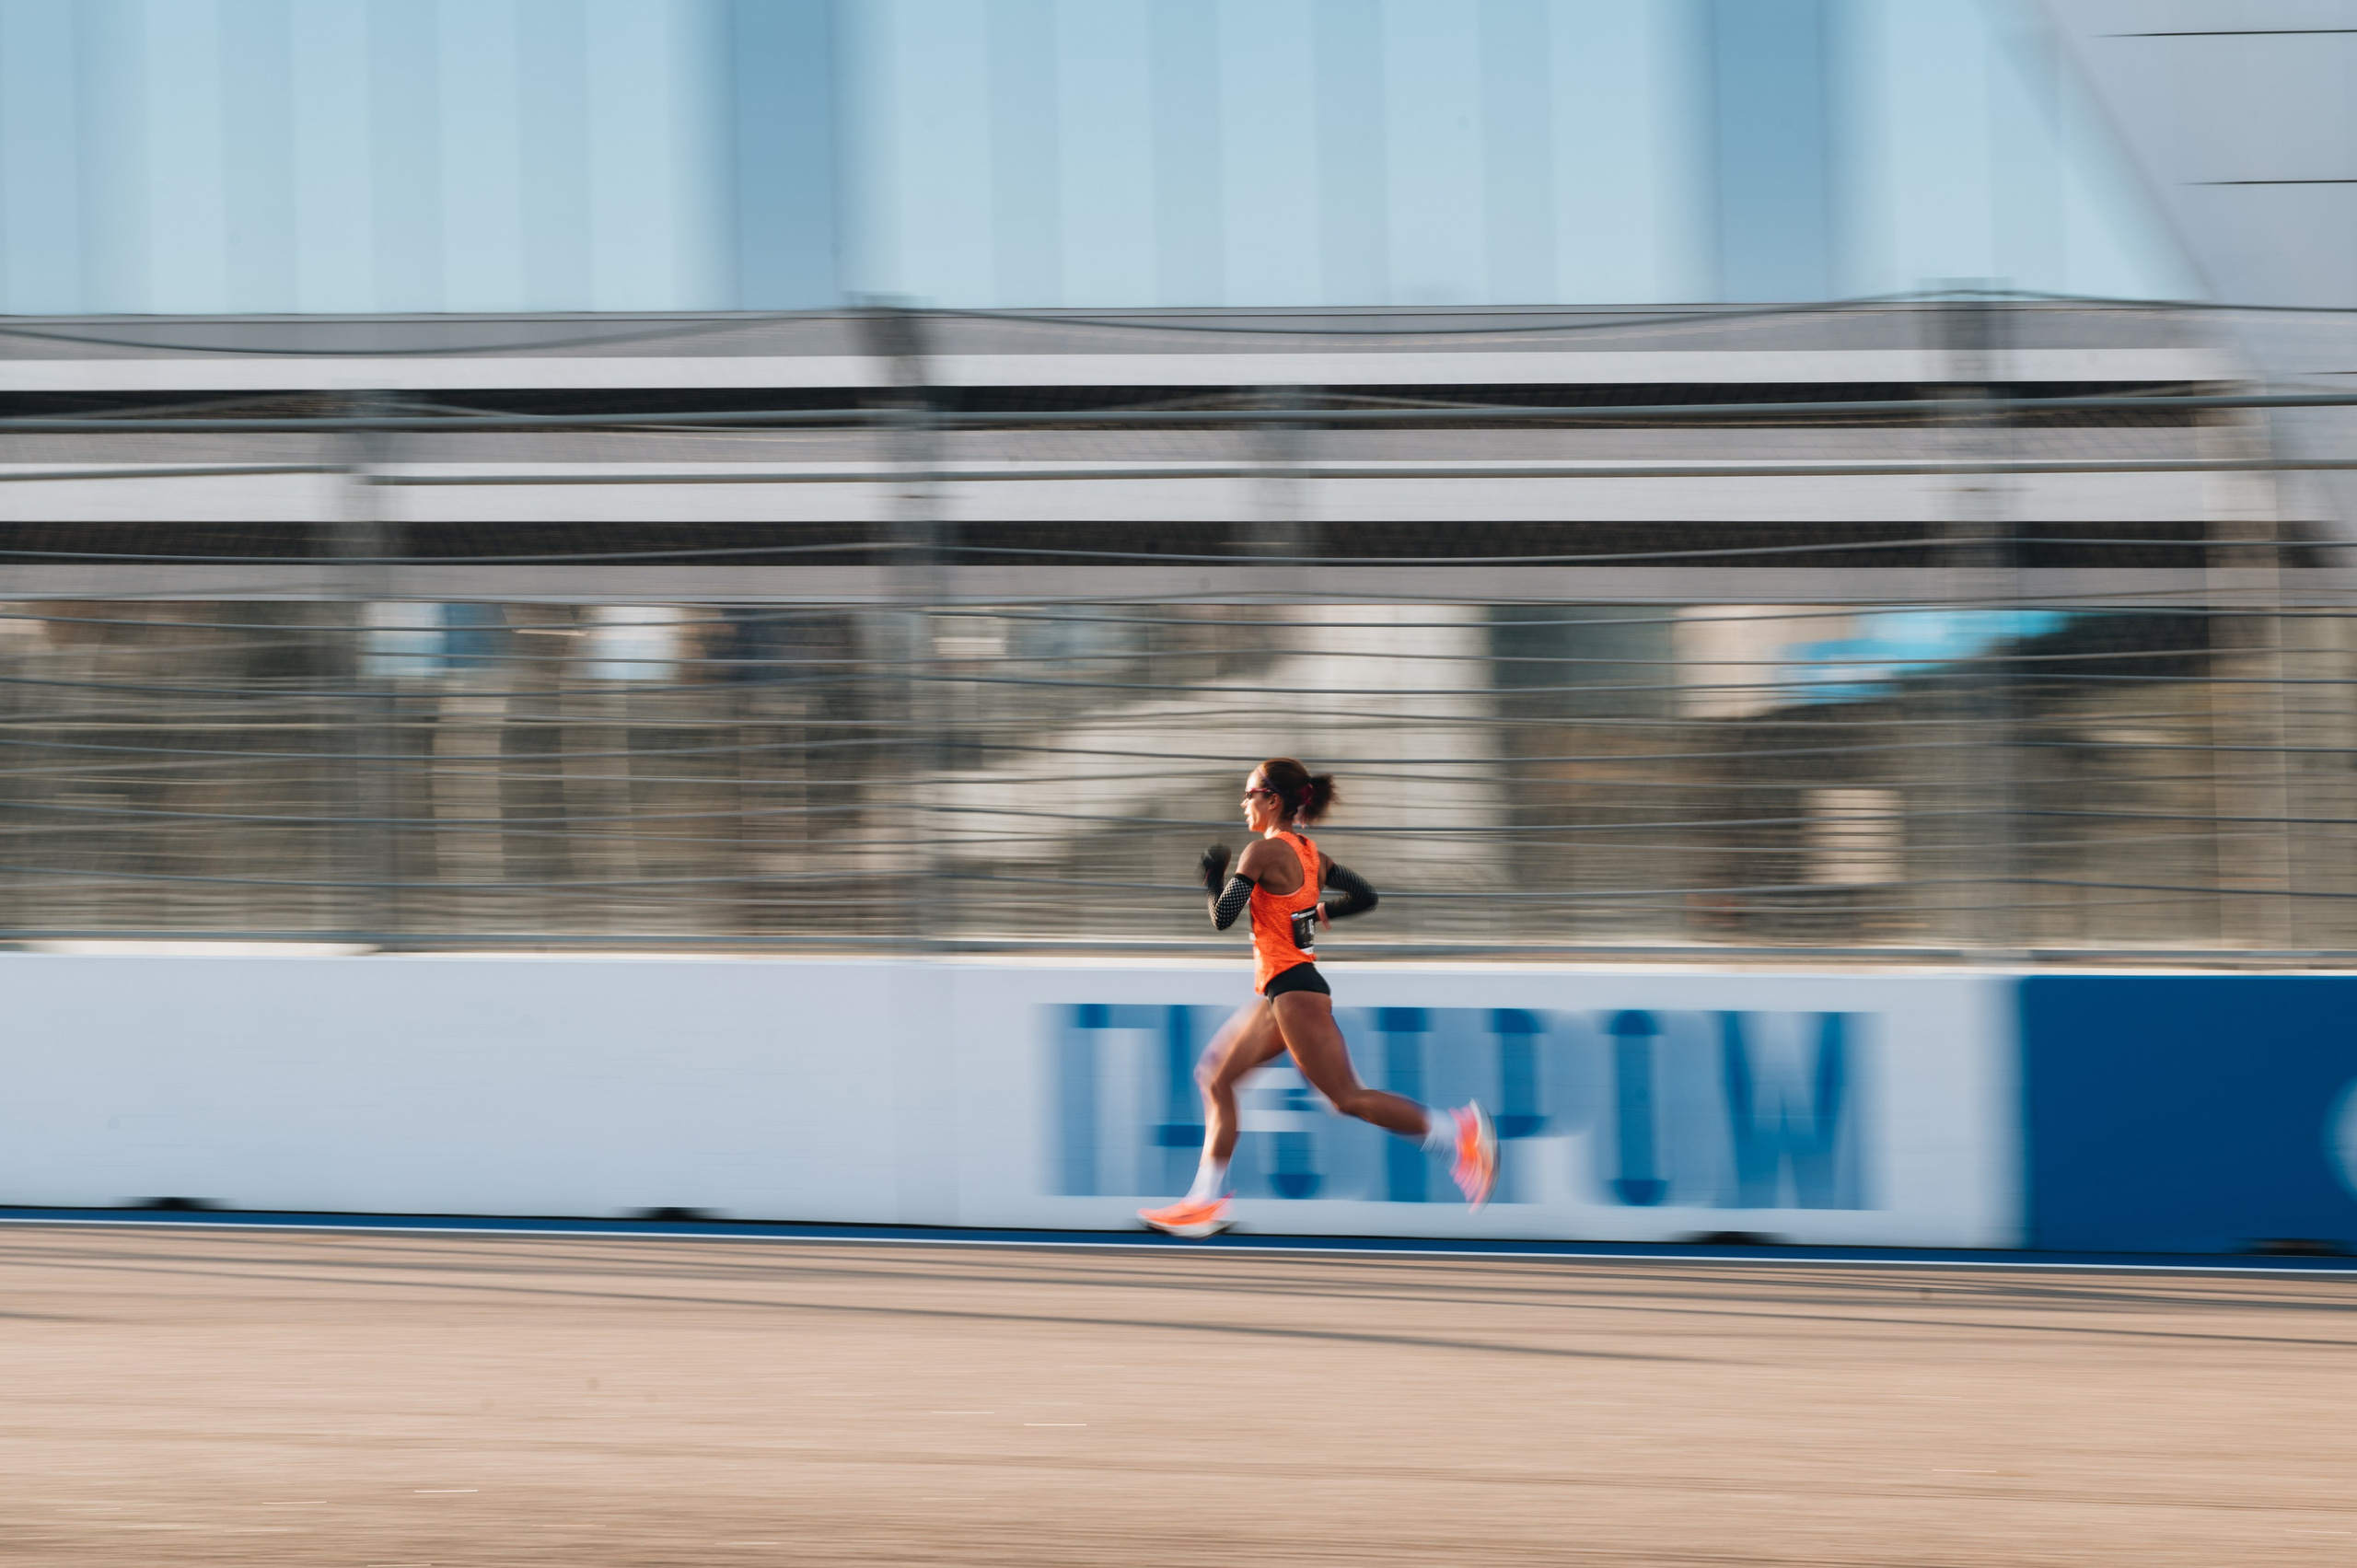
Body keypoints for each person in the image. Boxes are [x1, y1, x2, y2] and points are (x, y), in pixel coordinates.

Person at [1139, 758, 1497, 1237]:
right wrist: (1317, 913)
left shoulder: (1262, 853)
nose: (1243, 803)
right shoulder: (1311, 854)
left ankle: (1458, 1134)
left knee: (1347, 1098)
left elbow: (1223, 917)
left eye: (1249, 794)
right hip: (1282, 993)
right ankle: (1204, 1202)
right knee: (1217, 1079)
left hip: (1294, 993)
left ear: (1273, 800)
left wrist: (1212, 879)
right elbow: (1366, 895)